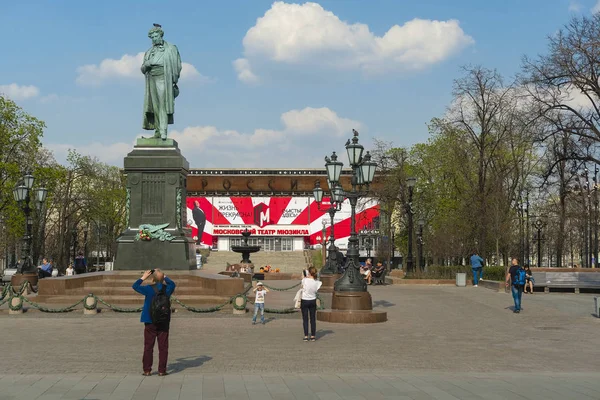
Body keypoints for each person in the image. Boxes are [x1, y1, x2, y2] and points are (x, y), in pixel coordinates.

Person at [141, 24, 182, 140]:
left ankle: (163, 131)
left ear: (160, 35)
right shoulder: (149, 52)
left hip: (164, 77)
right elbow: (143, 69)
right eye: (152, 37)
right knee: (155, 106)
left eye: (155, 36)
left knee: (163, 104)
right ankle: (158, 131)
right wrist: (147, 64)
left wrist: (174, 80)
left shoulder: (171, 48)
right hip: (152, 79)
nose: (153, 39)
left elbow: (177, 64)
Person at [132, 269, 176, 376]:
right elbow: (173, 283)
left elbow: (135, 286)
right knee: (163, 346)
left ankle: (147, 370)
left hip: (149, 319)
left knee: (148, 346)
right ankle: (162, 370)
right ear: (162, 279)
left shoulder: (148, 289)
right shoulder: (168, 289)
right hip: (163, 320)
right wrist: (164, 276)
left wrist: (143, 277)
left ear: (152, 279)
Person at [301, 267, 322, 342]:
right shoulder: (317, 282)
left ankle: (306, 336)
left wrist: (304, 272)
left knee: (305, 319)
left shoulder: (305, 280)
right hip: (313, 300)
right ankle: (313, 336)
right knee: (313, 319)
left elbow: (303, 282)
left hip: (305, 300)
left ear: (309, 273)